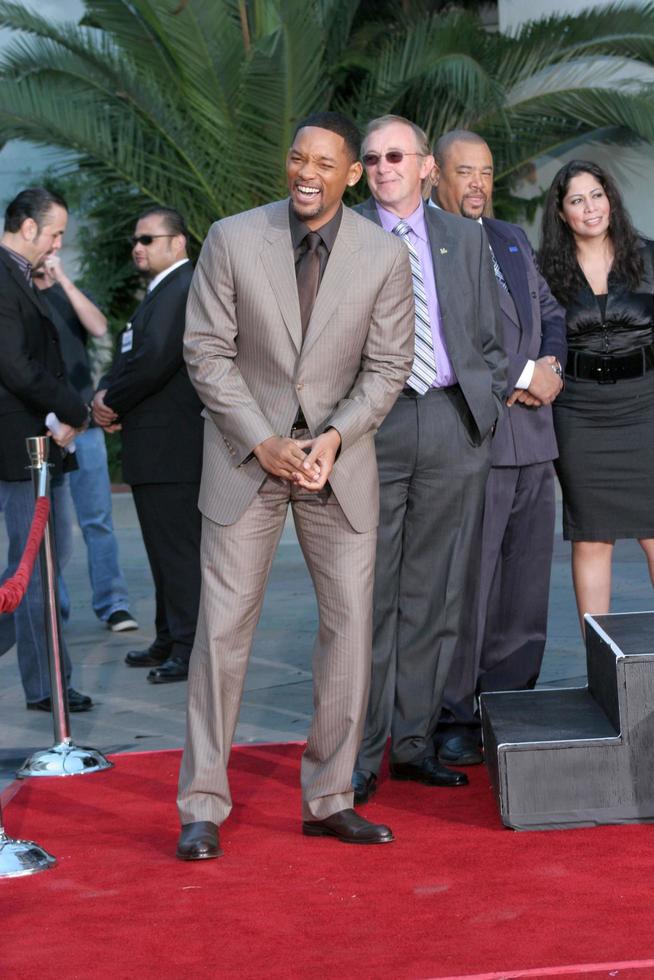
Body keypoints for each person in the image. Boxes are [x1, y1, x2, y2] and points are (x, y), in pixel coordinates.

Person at [176, 111, 414, 860]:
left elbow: (388, 366)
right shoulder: (232, 238)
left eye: (324, 163)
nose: (305, 174)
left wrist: (335, 438)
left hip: (337, 466)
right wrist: (264, 439)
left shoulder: (384, 255)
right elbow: (205, 351)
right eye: (296, 158)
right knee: (221, 634)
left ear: (352, 175)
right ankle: (202, 805)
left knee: (348, 635)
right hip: (247, 458)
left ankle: (330, 798)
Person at [350, 116, 507, 807]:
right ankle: (357, 755)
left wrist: (485, 409)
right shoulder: (345, 233)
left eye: (395, 156)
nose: (383, 167)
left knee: (435, 595)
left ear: (425, 167)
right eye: (371, 158)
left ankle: (412, 745)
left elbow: (490, 338)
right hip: (370, 428)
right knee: (367, 598)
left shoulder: (464, 238)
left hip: (451, 422)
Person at [430, 130, 567, 765]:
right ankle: (453, 712)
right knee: (470, 586)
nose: (478, 184)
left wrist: (553, 367)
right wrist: (524, 373)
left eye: (486, 172)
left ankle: (510, 702)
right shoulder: (426, 244)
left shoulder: (510, 237)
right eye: (465, 172)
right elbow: (447, 335)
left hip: (534, 438)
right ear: (436, 176)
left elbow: (551, 312)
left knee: (525, 586)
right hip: (473, 438)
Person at [539, 160, 654, 632]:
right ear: (561, 213)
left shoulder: (648, 256)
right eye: (577, 200)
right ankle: (599, 661)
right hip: (579, 413)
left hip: (646, 406)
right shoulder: (543, 271)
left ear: (611, 200)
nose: (590, 208)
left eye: (597, 195)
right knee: (591, 537)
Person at [93, 207, 202, 684]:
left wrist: (110, 401)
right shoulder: (161, 290)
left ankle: (190, 646)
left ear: (178, 242)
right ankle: (169, 636)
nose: (137, 247)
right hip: (154, 448)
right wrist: (105, 393)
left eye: (148, 239)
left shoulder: (183, 287)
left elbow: (155, 358)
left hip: (173, 448)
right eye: (135, 240)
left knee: (178, 553)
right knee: (161, 552)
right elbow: (131, 356)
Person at [0, 187, 92, 711]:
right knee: (34, 570)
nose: (58, 245)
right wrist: (75, 409)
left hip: (37, 439)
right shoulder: (3, 275)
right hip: (20, 446)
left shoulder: (18, 274)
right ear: (29, 227)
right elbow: (15, 367)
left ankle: (47, 680)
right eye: (55, 233)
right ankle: (46, 686)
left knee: (43, 564)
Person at [33, 254, 137, 633]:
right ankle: (55, 609)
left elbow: (98, 327)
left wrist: (62, 279)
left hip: (84, 424)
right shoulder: (18, 296)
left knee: (98, 520)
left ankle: (113, 604)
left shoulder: (71, 292)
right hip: (44, 428)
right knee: (50, 528)